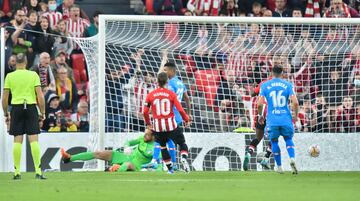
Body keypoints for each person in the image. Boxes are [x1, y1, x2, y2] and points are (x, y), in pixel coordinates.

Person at [1, 53, 46, 180]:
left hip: (16, 108)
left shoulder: (10, 76)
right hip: (31, 107)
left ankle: (17, 172)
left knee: (17, 140)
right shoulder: (33, 75)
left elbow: (4, 98)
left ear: (15, 62)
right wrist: (42, 113)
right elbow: (40, 96)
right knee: (34, 140)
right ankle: (38, 171)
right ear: (26, 62)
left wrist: (6, 113)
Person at [146, 62, 192, 172]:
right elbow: (187, 98)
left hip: (169, 116)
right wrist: (188, 114)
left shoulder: (170, 84)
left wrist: (153, 110)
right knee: (171, 140)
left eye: (166, 70)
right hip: (179, 117)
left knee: (162, 140)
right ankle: (167, 163)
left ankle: (159, 162)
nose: (164, 72)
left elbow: (164, 100)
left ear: (172, 71)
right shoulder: (180, 83)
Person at [257, 65, 299, 174]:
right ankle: (292, 159)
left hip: (272, 120)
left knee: (274, 142)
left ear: (271, 72)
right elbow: (295, 102)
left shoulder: (265, 85)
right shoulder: (288, 85)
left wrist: (260, 115)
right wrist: (296, 115)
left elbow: (260, 103)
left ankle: (279, 167)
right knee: (288, 139)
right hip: (285, 118)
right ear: (282, 73)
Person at [61, 129, 155, 172]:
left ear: (153, 137)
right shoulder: (142, 138)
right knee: (98, 153)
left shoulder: (154, 148)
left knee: (127, 165)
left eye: (147, 135)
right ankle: (69, 158)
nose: (144, 136)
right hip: (126, 156)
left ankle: (114, 170)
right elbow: (129, 142)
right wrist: (127, 146)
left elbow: (154, 160)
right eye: (145, 133)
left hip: (136, 164)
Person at [243, 77, 273, 171]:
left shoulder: (263, 83)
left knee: (258, 137)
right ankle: (266, 158)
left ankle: (249, 153)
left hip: (260, 112)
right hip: (272, 113)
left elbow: (252, 94)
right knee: (274, 137)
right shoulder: (281, 84)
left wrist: (253, 88)